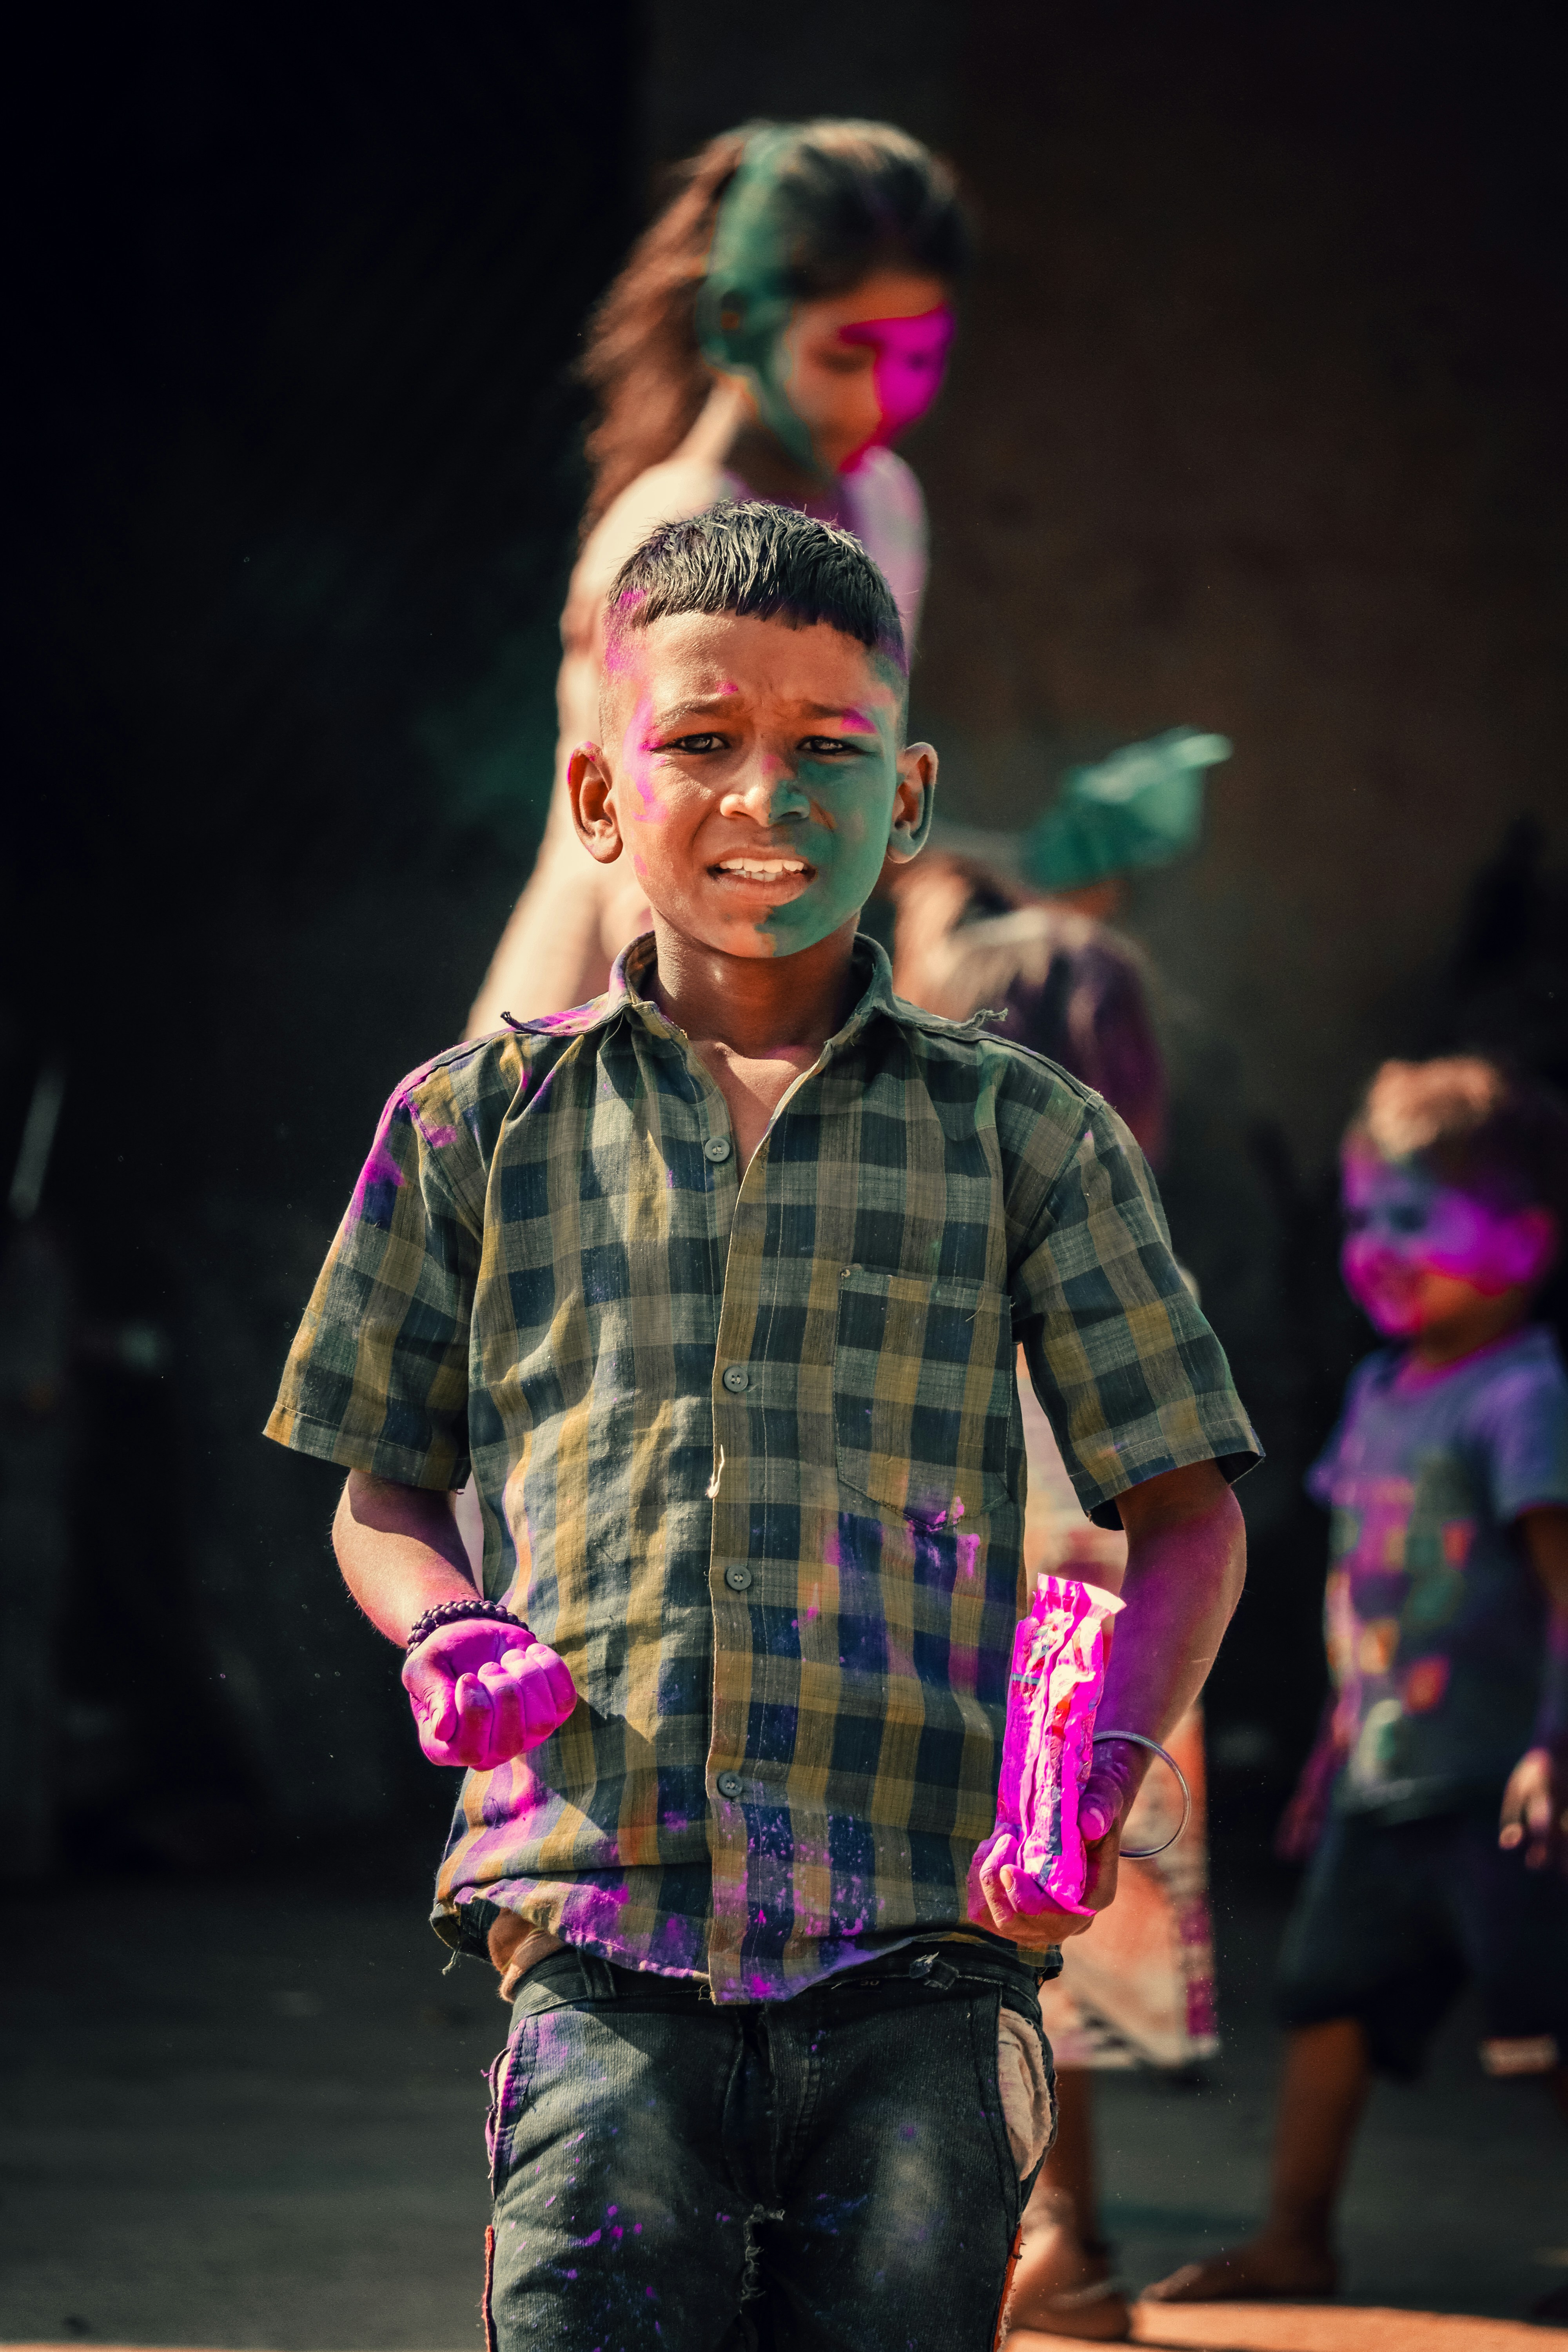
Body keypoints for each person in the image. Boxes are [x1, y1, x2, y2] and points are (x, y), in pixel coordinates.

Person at [264, 504, 1259, 2350]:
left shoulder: (1027, 1139)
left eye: (826, 747)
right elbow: (381, 1488)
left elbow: (1188, 1513)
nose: (762, 795)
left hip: (927, 1957)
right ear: (596, 794)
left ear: (908, 799)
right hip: (597, 1934)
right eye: (702, 739)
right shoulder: (469, 1127)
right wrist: (442, 1623)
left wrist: (1102, 1770)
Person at [1145, 1054, 1568, 2320]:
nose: (1377, 1248)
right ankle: (1296, 2239)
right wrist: (1338, 1742)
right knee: (1326, 2000)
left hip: (1498, 1794)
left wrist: (1554, 1744)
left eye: (1416, 1218)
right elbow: (1358, 1585)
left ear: (1528, 1241)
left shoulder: (1525, 1397)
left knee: (1543, 2026)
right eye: (1364, 1218)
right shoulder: (1381, 1391)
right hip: (1383, 1785)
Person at [896, 866, 1218, 2344]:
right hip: (1108, 1648)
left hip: (1045, 1651)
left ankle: (1058, 2239)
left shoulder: (1003, 1235)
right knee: (1039, 1970)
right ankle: (1055, 2236)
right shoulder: (1116, 1233)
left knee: (1025, 1966)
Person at [466, 117, 968, 1035]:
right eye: (846, 356)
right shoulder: (670, 526)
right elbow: (663, 842)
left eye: (920, 359)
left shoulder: (886, 506)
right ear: (736, 323)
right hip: (618, 1011)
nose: (885, 397)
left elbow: (828, 793)